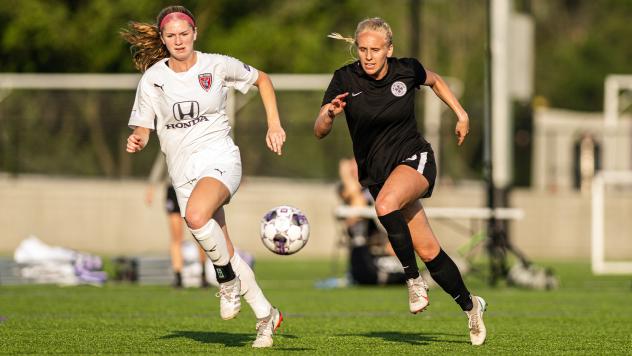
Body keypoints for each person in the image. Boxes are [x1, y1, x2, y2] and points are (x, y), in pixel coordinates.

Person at [314, 18, 487, 345]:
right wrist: (329, 114)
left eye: (375, 50)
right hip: (379, 175)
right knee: (428, 249)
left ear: (389, 50)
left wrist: (461, 114)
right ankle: (471, 305)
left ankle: (412, 280)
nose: (368, 56)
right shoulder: (344, 79)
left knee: (385, 204)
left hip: (415, 159)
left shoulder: (406, 70)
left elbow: (435, 81)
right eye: (363, 49)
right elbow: (319, 130)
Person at [121, 5, 285, 348]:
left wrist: (274, 124)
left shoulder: (216, 64)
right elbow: (144, 126)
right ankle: (266, 314)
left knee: (196, 217)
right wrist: (138, 138)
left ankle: (225, 282)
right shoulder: (153, 79)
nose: (178, 40)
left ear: (195, 33)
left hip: (220, 158)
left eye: (184, 33)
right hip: (182, 172)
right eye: (171, 35)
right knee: (224, 248)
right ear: (163, 40)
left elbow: (263, 80)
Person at [338, 158, 406, 286]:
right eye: (353, 165)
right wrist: (346, 175)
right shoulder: (346, 189)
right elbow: (354, 197)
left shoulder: (374, 185)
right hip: (361, 244)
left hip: (380, 241)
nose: (356, 168)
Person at [145, 154, 209, 288]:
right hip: (173, 189)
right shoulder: (169, 135)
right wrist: (152, 186)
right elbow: (161, 163)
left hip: (194, 187)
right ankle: (178, 276)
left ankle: (203, 275)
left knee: (200, 233)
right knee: (176, 236)